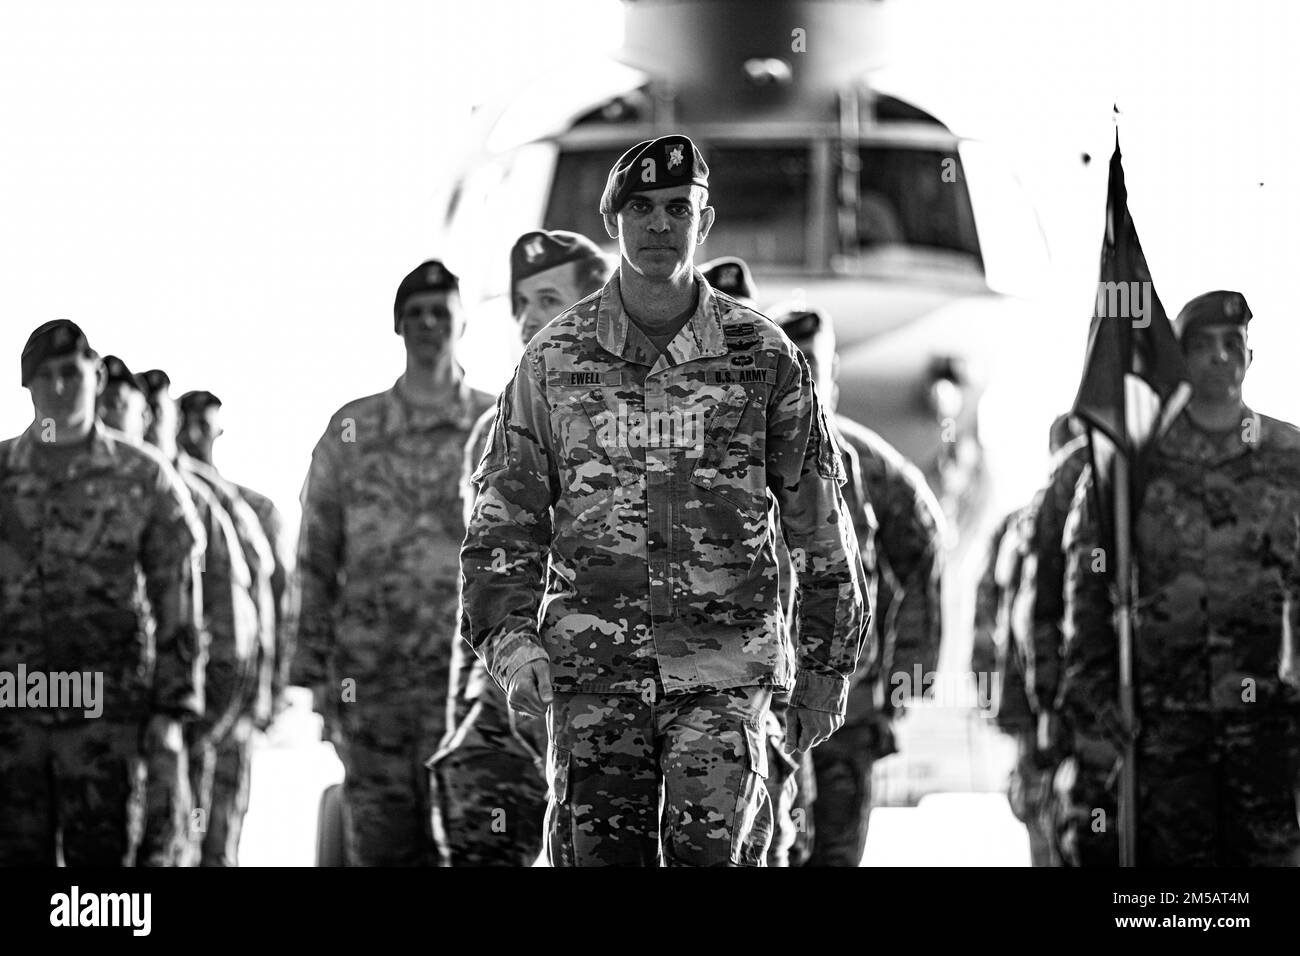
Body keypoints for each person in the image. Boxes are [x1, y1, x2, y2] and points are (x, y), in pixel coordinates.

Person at [461, 135, 869, 867]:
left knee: (710, 856)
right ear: (615, 219)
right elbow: (504, 523)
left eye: (677, 208)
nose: (658, 226)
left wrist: (825, 671)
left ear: (703, 223)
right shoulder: (553, 359)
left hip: (723, 669)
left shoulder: (763, 358)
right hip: (593, 674)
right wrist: (513, 647)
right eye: (641, 208)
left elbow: (819, 528)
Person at [1060, 290, 1300, 866]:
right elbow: (1089, 576)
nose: (1220, 357)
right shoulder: (1133, 464)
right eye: (1201, 345)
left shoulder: (1290, 457)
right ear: (1178, 358)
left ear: (1251, 354)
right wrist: (1097, 690)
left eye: (1232, 343)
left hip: (1267, 726)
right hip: (1164, 726)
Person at [291, 259, 494, 866]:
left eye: (441, 312)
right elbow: (316, 556)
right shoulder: (354, 429)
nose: (428, 324)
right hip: (370, 692)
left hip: (469, 697)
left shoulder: (497, 425)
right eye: (415, 314)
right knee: (379, 853)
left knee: (470, 851)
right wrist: (317, 679)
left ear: (463, 323)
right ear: (398, 326)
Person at [431, 229, 610, 866]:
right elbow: (488, 573)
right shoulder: (496, 425)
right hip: (508, 693)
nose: (531, 318)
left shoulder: (651, 410)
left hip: (610, 696)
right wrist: (466, 715)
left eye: (550, 299)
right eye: (521, 303)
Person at [0, 322, 204, 865]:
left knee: (103, 879)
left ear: (95, 373)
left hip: (106, 722)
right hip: (14, 715)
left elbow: (177, 599)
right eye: (45, 376)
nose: (61, 387)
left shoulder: (144, 476)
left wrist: (171, 710)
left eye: (72, 372)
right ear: (28, 387)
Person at [773, 304, 945, 867]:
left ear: (833, 373)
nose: (807, 378)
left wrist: (900, 686)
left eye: (814, 366)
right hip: (764, 706)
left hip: (846, 712)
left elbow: (923, 558)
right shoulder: (741, 457)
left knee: (835, 856)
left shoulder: (870, 465)